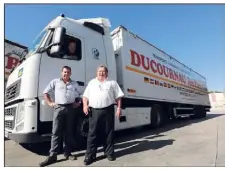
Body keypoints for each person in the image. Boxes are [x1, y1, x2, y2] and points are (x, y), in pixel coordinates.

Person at [39, 66, 81, 167]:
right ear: (61, 73)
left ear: (70, 73)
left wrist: (78, 102)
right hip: (58, 108)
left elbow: (80, 95)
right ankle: (53, 155)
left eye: (68, 72)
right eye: (64, 72)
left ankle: (67, 153)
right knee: (56, 132)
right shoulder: (55, 82)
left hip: (71, 109)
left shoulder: (74, 83)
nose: (66, 74)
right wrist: (50, 102)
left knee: (68, 131)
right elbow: (45, 92)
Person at [82, 65, 124, 166]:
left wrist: (119, 108)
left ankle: (109, 153)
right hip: (94, 110)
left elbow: (118, 97)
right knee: (92, 133)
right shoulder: (92, 83)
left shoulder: (112, 83)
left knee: (108, 132)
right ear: (97, 73)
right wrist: (85, 106)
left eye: (103, 71)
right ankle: (90, 155)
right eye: (99, 71)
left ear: (107, 73)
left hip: (108, 110)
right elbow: (85, 96)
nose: (101, 73)